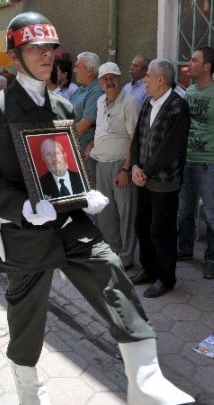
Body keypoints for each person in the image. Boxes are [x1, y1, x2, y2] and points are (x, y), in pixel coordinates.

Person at [0, 12, 195, 405]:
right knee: (27, 314)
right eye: (35, 47)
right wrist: (22, 205)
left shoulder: (63, 106)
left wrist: (84, 192)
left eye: (50, 48)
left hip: (69, 221)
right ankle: (28, 391)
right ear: (14, 55)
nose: (45, 55)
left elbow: (65, 165)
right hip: (24, 230)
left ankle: (145, 378)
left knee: (111, 275)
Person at [129, 58, 191, 298]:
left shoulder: (178, 106)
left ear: (160, 80)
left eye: (148, 77)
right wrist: (135, 165)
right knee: (142, 226)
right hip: (142, 178)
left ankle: (166, 278)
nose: (144, 80)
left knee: (162, 231)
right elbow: (137, 138)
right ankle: (149, 269)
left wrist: (144, 171)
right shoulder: (148, 103)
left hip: (164, 182)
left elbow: (170, 148)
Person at [90, 62, 141, 270]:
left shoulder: (130, 103)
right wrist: (93, 144)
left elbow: (134, 139)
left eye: (113, 77)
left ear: (120, 79)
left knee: (126, 214)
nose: (109, 81)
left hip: (121, 165)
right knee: (105, 212)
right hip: (101, 163)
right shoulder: (101, 100)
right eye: (105, 78)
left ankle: (127, 258)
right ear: (100, 82)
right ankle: (113, 251)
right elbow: (103, 129)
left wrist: (126, 170)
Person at [177, 46, 214, 280]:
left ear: (208, 66)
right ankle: (184, 249)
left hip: (209, 163)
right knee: (184, 211)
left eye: (195, 60)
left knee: (211, 213)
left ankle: (211, 259)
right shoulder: (188, 92)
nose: (190, 63)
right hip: (187, 161)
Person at [70, 51, 104, 180]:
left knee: (88, 189)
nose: (74, 70)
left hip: (85, 149)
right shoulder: (80, 90)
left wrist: (64, 140)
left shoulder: (96, 92)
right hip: (75, 144)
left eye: (78, 67)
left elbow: (84, 125)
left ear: (90, 71)